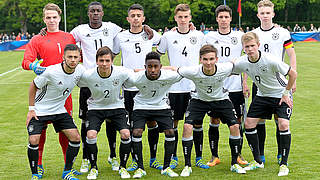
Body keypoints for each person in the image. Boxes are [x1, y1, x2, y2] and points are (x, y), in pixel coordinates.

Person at [69, 2, 154, 172]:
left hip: (110, 80)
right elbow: (65, 40)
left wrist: (145, 26)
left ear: (102, 13)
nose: (95, 14)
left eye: (98, 11)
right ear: (88, 14)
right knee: (87, 122)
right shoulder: (79, 30)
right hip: (89, 81)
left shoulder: (112, 27)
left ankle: (113, 156)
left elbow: (132, 30)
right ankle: (86, 158)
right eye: (92, 11)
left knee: (111, 118)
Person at [171, 44, 246, 176]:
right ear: (200, 59)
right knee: (187, 127)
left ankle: (234, 163)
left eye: (211, 59)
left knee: (235, 126)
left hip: (221, 100)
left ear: (217, 59)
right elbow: (174, 69)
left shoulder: (224, 68)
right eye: (205, 59)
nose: (209, 62)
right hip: (199, 101)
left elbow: (236, 62)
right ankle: (187, 165)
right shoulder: (194, 70)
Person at [22, 3, 78, 178]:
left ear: (59, 18)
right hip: (45, 91)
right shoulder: (37, 39)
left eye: (54, 17)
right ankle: (38, 165)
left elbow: (77, 56)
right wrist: (33, 66)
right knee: (40, 131)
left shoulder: (69, 37)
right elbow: (25, 61)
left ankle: (67, 167)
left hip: (63, 93)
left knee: (66, 130)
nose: (51, 20)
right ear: (44, 19)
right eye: (48, 17)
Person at [233, 32, 297, 176]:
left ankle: (284, 164)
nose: (250, 49)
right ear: (243, 48)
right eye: (247, 47)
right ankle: (258, 161)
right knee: (249, 124)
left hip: (280, 94)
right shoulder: (242, 61)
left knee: (283, 124)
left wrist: (286, 93)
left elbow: (293, 74)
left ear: (258, 45)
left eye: (252, 46)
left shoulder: (270, 60)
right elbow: (229, 68)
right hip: (262, 96)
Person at [113, 3, 162, 172]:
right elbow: (112, 56)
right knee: (134, 126)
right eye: (132, 16)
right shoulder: (120, 37)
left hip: (149, 86)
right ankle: (135, 159)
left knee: (152, 122)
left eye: (138, 16)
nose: (135, 18)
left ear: (143, 19)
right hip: (129, 87)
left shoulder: (152, 35)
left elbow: (165, 42)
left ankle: (154, 158)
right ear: (128, 19)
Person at [156, 4, 205, 169]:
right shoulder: (168, 37)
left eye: (186, 17)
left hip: (194, 86)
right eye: (180, 17)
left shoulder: (199, 35)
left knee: (196, 123)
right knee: (174, 123)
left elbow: (208, 55)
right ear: (175, 18)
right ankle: (174, 156)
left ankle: (198, 157)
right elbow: (157, 56)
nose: (183, 20)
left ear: (190, 18)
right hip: (175, 87)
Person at [26, 44, 85, 180]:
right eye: (69, 57)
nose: (72, 60)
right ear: (63, 57)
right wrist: (31, 109)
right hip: (40, 110)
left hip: (59, 109)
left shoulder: (80, 70)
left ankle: (67, 172)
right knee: (34, 139)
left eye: (75, 57)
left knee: (75, 137)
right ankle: (35, 174)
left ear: (79, 58)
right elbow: (33, 86)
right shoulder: (51, 72)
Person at [251, 0, 297, 164]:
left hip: (279, 82)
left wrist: (293, 77)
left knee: (280, 119)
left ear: (273, 14)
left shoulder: (283, 33)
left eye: (267, 13)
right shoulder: (254, 34)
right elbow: (247, 62)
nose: (265, 16)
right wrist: (244, 83)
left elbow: (291, 54)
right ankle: (261, 154)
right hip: (259, 82)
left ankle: (280, 153)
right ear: (258, 15)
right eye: (262, 13)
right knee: (259, 120)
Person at [78, 46, 132, 179]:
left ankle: (122, 167)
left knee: (125, 134)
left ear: (112, 61)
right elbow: (71, 79)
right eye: (101, 60)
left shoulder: (122, 72)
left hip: (116, 107)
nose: (104, 64)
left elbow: (137, 76)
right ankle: (93, 167)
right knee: (90, 135)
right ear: (96, 61)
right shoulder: (88, 75)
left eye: (107, 61)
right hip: (96, 108)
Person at [125, 52, 182, 178]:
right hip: (141, 106)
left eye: (155, 66)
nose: (152, 70)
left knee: (170, 132)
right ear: (144, 67)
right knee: (136, 132)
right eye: (149, 66)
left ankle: (166, 167)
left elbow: (182, 72)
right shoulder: (137, 78)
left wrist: (171, 68)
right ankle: (140, 167)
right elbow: (124, 80)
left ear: (161, 66)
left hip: (161, 107)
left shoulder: (169, 76)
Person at [204, 4, 248, 167]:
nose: (223, 20)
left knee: (237, 121)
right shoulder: (209, 37)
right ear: (217, 19)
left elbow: (244, 62)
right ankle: (214, 156)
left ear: (230, 18)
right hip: (215, 87)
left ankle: (237, 155)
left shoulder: (239, 36)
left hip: (235, 86)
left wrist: (244, 82)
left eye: (226, 17)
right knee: (214, 119)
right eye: (220, 17)